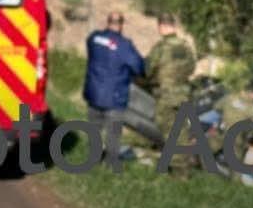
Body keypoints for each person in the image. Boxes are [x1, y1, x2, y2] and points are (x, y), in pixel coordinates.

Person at [83, 12, 145, 164]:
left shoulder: (94, 38)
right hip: (115, 97)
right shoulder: (124, 45)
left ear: (108, 22)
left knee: (94, 129)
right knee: (113, 133)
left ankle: (93, 160)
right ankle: (111, 164)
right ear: (121, 24)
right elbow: (138, 67)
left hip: (94, 94)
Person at [143, 13, 196, 172]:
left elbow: (147, 70)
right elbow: (192, 68)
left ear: (161, 26)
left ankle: (175, 168)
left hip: (166, 96)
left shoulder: (160, 48)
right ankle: (183, 169)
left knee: (167, 131)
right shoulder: (186, 47)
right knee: (181, 132)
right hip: (184, 95)